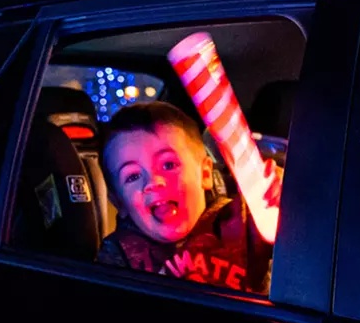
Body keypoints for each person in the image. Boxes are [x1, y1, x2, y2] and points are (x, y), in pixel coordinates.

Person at [97, 101, 273, 294]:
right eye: (133, 176)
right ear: (119, 202)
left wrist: (283, 196)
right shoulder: (119, 255)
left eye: (168, 165)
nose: (154, 182)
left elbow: (293, 234)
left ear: (205, 174)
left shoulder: (245, 221)